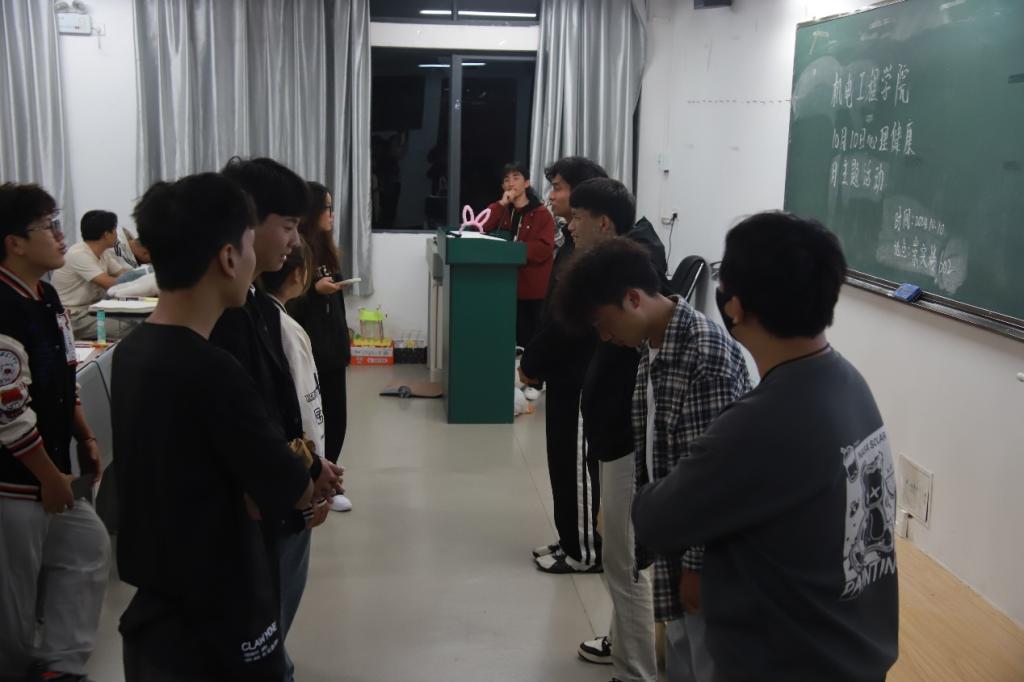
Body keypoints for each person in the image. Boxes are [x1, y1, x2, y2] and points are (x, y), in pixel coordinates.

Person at [633, 212, 899, 681]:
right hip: (851, 651)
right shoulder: (846, 380)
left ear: (734, 305)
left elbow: (655, 518)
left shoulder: (763, 423)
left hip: (788, 661)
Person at [112, 172, 317, 681]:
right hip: (217, 612)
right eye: (248, 243)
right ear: (229, 258)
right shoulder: (212, 370)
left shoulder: (132, 351)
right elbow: (290, 486)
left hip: (158, 606)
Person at [557, 236, 751, 682]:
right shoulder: (651, 344)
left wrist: (696, 567)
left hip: (708, 561)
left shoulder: (704, 355)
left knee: (706, 663)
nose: (605, 336)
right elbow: (653, 449)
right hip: (674, 546)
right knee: (681, 661)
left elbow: (712, 484)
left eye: (604, 323)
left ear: (633, 299)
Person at [211, 157, 341, 682]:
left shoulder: (262, 311)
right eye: (287, 225)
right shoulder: (217, 326)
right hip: (259, 508)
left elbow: (286, 411)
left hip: (286, 494)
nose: (294, 240)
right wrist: (298, 480)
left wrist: (314, 469)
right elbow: (245, 430)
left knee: (274, 616)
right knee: (256, 628)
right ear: (245, 226)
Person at [553, 179, 672, 682]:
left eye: (577, 216)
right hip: (612, 439)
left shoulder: (633, 288)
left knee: (623, 567)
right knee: (618, 558)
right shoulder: (612, 286)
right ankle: (626, 648)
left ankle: (636, 671)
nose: (569, 225)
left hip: (624, 443)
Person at [0, 183, 110, 682]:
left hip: (53, 469)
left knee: (87, 547)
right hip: (16, 479)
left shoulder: (44, 296)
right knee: (13, 602)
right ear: (14, 243)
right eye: (49, 226)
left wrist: (85, 436)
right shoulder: (5, 307)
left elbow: (65, 372)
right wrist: (47, 476)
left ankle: (59, 667)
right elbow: (9, 413)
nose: (62, 235)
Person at [519, 156, 607, 575]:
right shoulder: (572, 240)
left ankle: (584, 552)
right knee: (560, 458)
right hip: (562, 368)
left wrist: (534, 361)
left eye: (558, 187)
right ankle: (569, 537)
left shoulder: (591, 250)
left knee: (577, 461)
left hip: (579, 372)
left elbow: (568, 321)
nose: (551, 196)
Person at [261, 240, 341, 513]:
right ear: (298, 275)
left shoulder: (268, 318)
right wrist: (315, 468)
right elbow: (307, 406)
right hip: (299, 471)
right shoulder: (287, 330)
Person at [287, 182, 353, 513]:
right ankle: (315, 483)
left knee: (337, 418)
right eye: (326, 208)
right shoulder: (297, 253)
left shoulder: (327, 250)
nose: (331, 214)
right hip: (310, 350)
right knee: (313, 420)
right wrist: (314, 290)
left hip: (333, 348)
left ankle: (330, 482)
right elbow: (288, 302)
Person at [480, 162, 556, 349]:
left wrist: (514, 250)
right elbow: (480, 226)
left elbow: (544, 248)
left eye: (516, 178)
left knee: (531, 341)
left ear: (527, 183)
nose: (511, 183)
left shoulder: (541, 213)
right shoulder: (503, 211)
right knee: (509, 340)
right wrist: (501, 204)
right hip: (505, 286)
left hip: (533, 289)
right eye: (506, 180)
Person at [51, 210, 129, 338]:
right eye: (114, 230)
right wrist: (141, 281)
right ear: (106, 234)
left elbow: (122, 273)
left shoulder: (103, 252)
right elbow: (110, 284)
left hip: (94, 311)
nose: (117, 234)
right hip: (74, 318)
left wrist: (141, 277)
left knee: (134, 319)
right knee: (127, 328)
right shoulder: (78, 254)